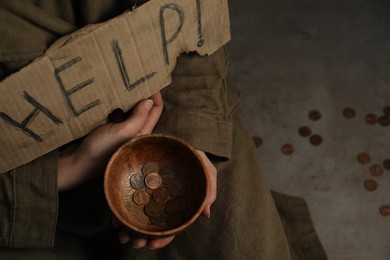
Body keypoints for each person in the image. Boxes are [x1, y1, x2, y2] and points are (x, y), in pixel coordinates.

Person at [0, 1, 327, 259]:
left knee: (245, 245)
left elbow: (192, 21)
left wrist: (188, 136)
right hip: (20, 193)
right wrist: (62, 171)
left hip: (169, 105)